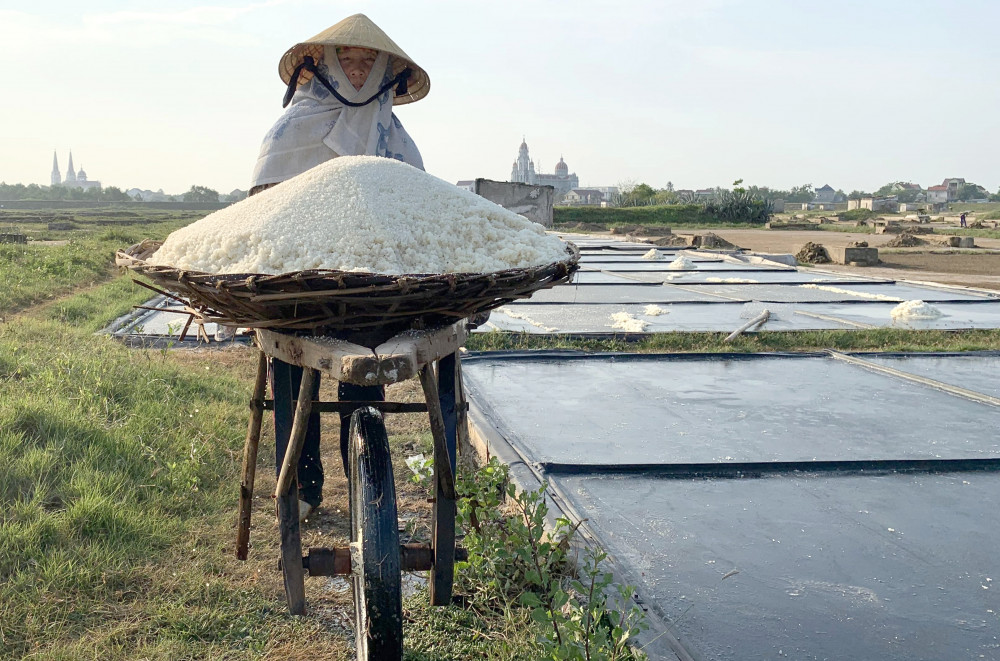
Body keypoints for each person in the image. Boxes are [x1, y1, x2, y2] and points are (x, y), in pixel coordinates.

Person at [248, 14, 430, 521]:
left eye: (366, 63)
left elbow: (417, 213)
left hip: (367, 290)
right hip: (298, 285)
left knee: (362, 374)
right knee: (288, 370)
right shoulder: (289, 131)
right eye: (345, 60)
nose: (355, 72)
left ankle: (362, 481)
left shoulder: (394, 140)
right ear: (323, 66)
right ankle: (304, 486)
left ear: (383, 73)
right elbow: (265, 208)